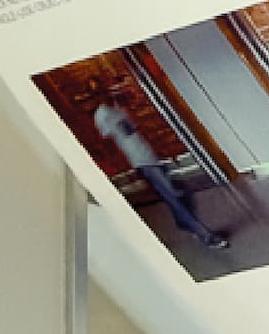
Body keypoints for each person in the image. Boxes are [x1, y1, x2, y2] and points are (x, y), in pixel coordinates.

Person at [87, 95, 229, 251]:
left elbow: (137, 133)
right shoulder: (102, 114)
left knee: (181, 194)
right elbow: (110, 144)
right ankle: (205, 236)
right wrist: (129, 167)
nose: (103, 90)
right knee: (174, 198)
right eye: (96, 88)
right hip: (142, 162)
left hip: (152, 157)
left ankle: (185, 223)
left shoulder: (118, 107)